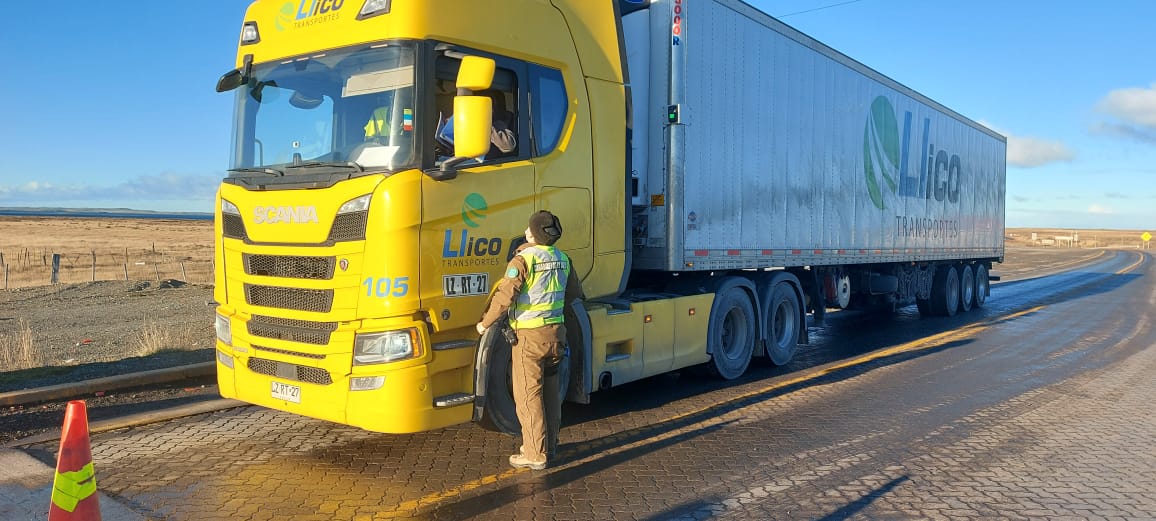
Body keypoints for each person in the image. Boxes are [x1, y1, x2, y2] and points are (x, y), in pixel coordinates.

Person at [476, 210, 584, 470]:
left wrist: (484, 323)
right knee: (549, 394)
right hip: (556, 335)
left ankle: (535, 454)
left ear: (532, 233)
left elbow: (504, 298)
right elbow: (574, 294)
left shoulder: (523, 261)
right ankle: (551, 445)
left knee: (528, 397)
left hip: (529, 339)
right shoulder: (563, 258)